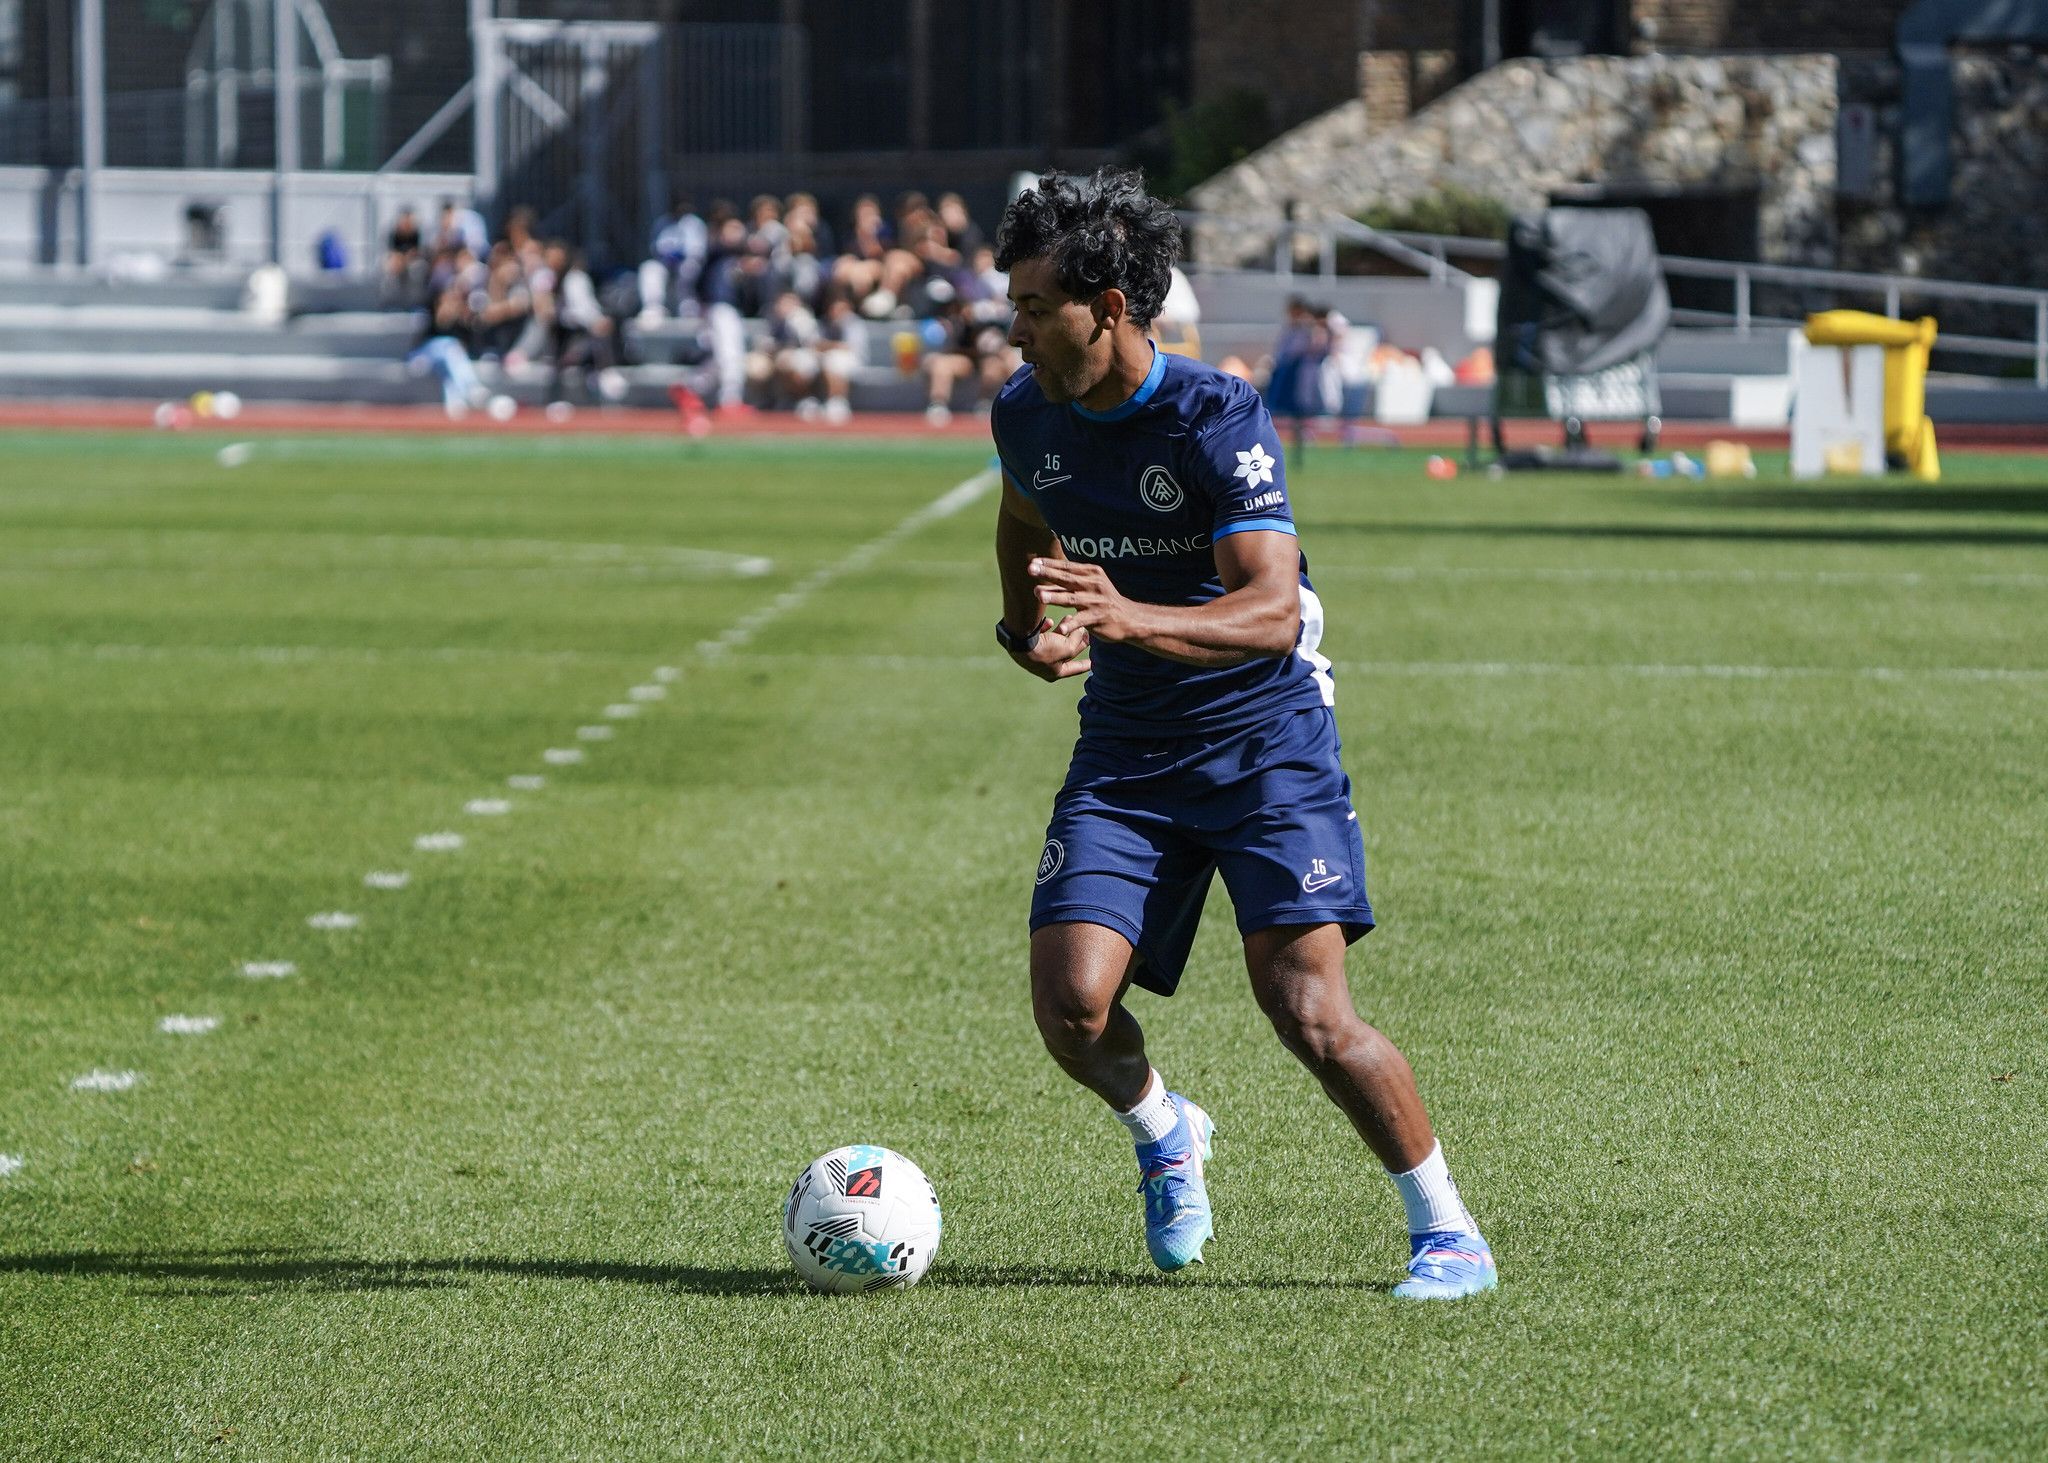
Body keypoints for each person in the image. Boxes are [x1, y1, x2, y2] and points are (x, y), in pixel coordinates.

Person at [988, 168, 1496, 1299]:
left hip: (1265, 743)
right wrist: (1022, 624)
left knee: (1306, 1010)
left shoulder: (1216, 414)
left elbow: (1271, 612)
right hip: (1125, 745)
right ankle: (1167, 1129)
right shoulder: (1025, 410)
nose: (1012, 327)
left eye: (1032, 305)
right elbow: (1022, 513)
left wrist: (1126, 614)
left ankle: (1447, 1229)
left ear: (1108, 307)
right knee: (1070, 1007)